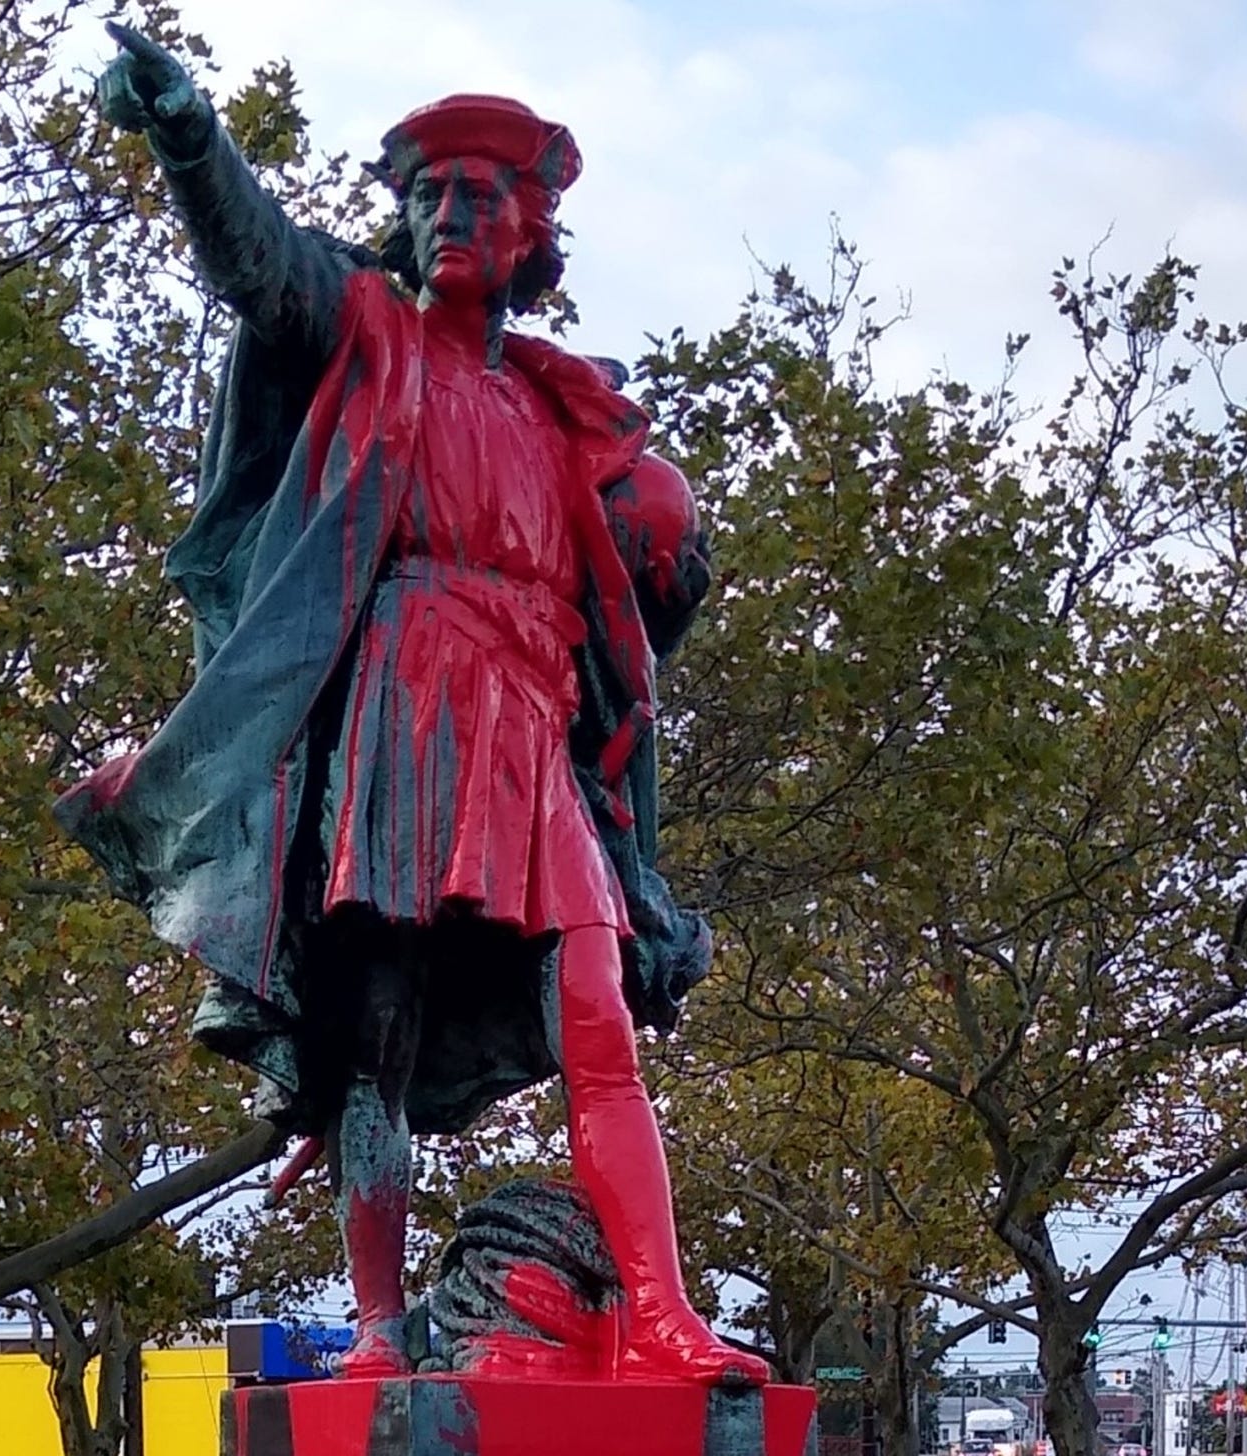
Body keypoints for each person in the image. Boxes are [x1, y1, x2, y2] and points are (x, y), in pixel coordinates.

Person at [60, 21, 769, 1387]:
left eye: (480, 197)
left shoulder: (560, 408)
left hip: (528, 717)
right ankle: (381, 1333)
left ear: (529, 236)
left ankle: (666, 1314)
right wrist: (192, 138)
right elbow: (256, 261)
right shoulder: (371, 329)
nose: (448, 214)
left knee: (599, 1010)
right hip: (403, 698)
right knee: (368, 1037)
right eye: (428, 194)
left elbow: (632, 597)